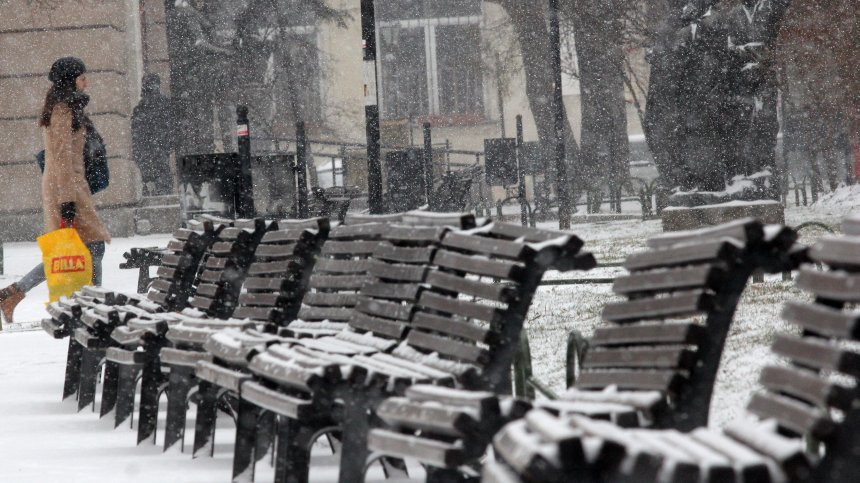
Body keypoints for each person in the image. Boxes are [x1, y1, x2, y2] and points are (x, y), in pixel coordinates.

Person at [0, 57, 111, 327]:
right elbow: (61, 157)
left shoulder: (69, 107)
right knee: (88, 246)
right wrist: (67, 203)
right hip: (67, 186)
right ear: (70, 80)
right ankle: (93, 306)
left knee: (73, 250)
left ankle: (14, 293)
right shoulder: (63, 110)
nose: (87, 81)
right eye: (82, 77)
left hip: (70, 184)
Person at [131, 73, 174, 195]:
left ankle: (159, 192)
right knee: (155, 179)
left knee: (158, 179)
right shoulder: (141, 108)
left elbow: (170, 127)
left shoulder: (144, 107)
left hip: (155, 148)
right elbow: (137, 134)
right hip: (151, 149)